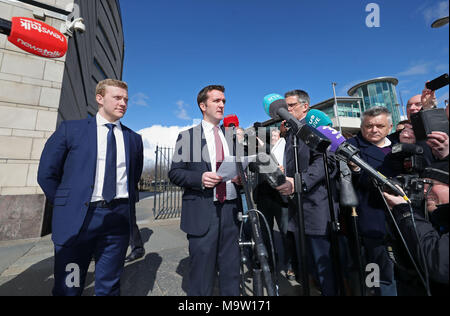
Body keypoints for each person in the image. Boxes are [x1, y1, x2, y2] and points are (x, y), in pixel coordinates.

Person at [37, 79, 144, 296]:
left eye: (126, 99)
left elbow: (134, 177)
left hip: (118, 220)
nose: (123, 103)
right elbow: (47, 173)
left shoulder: (134, 139)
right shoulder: (71, 130)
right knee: (70, 284)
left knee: (109, 284)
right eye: (117, 97)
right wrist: (65, 204)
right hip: (78, 221)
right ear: (99, 98)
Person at [169, 85, 242, 296]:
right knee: (201, 273)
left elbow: (244, 169)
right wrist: (199, 178)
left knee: (231, 270)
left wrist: (241, 178)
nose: (222, 105)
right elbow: (175, 173)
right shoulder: (188, 137)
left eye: (224, 101)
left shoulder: (232, 136)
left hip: (231, 211)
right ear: (203, 105)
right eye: (216, 101)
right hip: (203, 210)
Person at [276, 90, 339, 296]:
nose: (287, 110)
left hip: (316, 207)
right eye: (286, 106)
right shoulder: (292, 133)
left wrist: (299, 182)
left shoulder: (316, 129)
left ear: (305, 107)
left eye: (292, 105)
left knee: (324, 267)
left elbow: (325, 162)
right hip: (297, 207)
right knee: (306, 265)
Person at [346, 106, 399, 296]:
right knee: (377, 275)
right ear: (361, 127)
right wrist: (356, 169)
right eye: (369, 126)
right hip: (372, 221)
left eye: (379, 125)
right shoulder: (352, 146)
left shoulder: (400, 145)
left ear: (390, 127)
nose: (374, 130)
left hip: (402, 221)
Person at [383, 161, 449, 295]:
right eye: (422, 184)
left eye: (430, 184)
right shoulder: (436, 220)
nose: (424, 191)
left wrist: (405, 212)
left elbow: (439, 263)